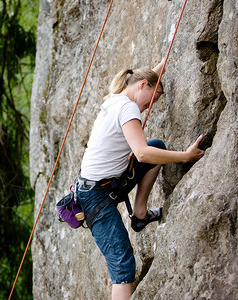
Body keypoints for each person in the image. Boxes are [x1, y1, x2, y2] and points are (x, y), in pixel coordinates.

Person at [76, 60, 205, 300]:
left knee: (158, 147)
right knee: (123, 267)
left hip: (102, 185)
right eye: (152, 99)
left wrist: (163, 64)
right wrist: (185, 156)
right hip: (96, 198)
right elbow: (142, 153)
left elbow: (146, 79)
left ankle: (140, 213)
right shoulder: (128, 107)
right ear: (142, 85)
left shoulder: (114, 99)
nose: (149, 106)